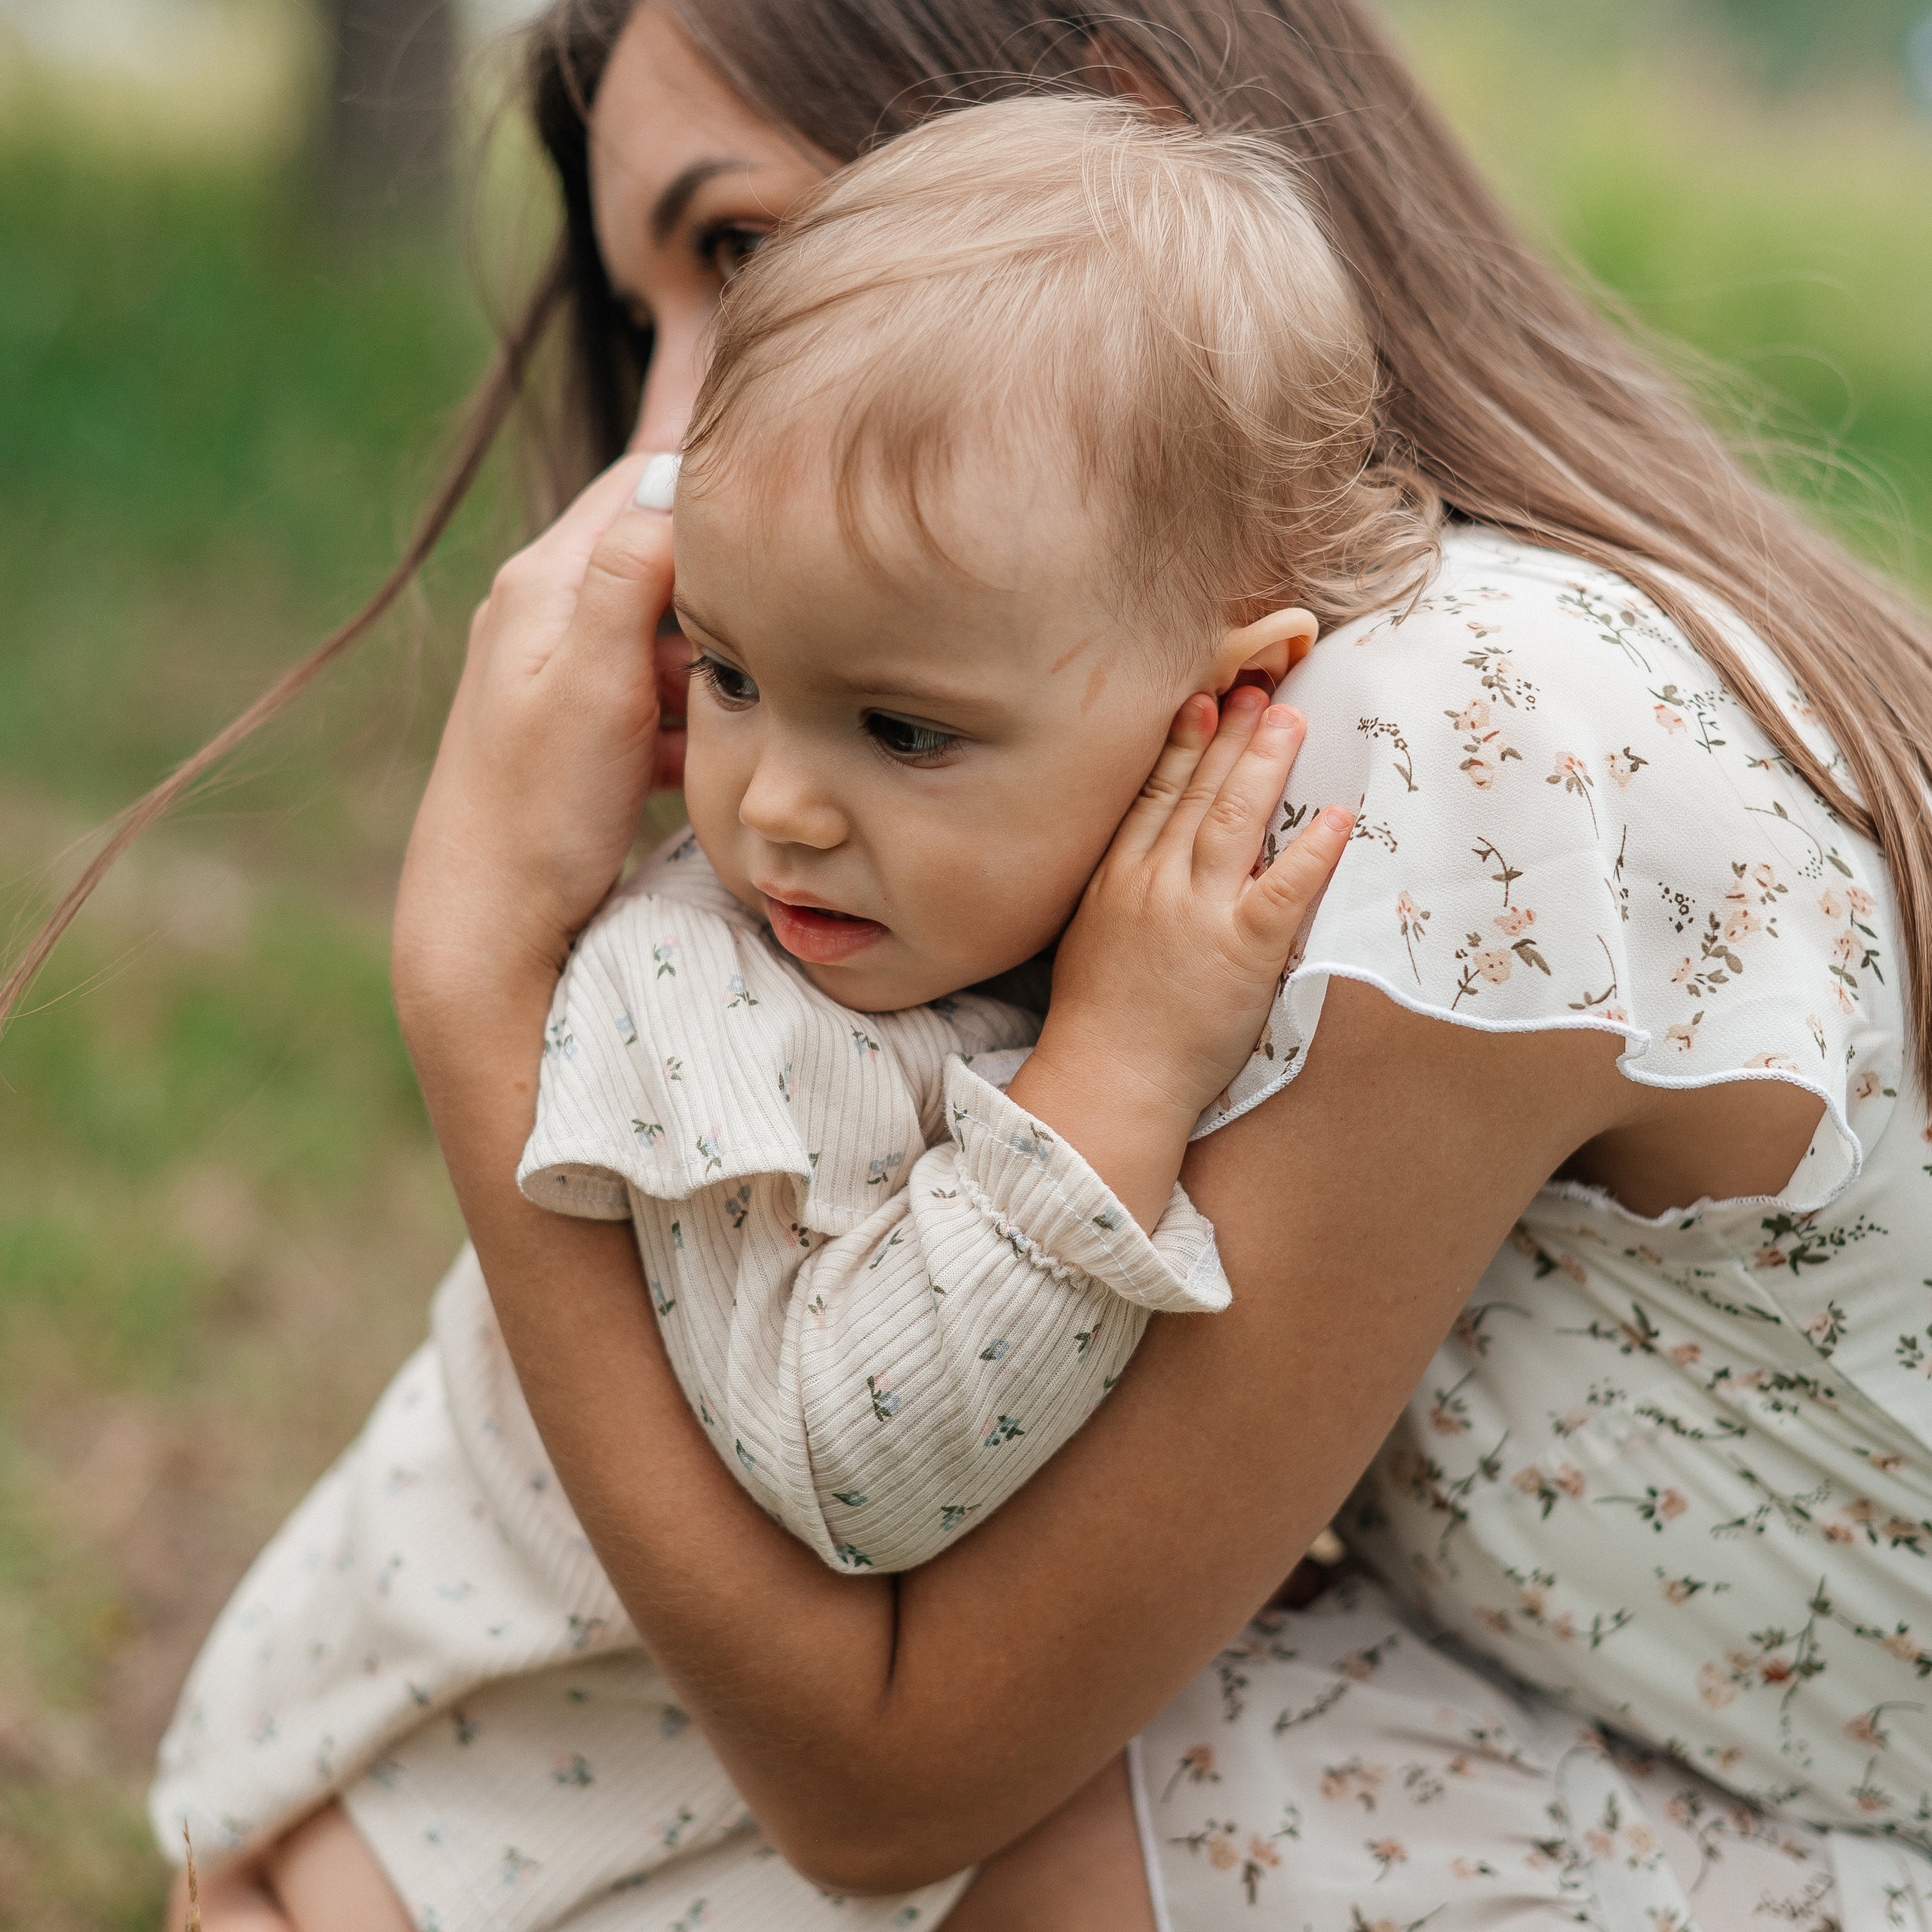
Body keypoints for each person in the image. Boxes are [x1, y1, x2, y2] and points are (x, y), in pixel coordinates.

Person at [9, 1, 1905, 1926]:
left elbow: (884, 1773)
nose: (659, 459)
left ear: (1106, 150)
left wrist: (480, 993)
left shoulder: (1445, 743)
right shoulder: (1138, 728)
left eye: (743, 254)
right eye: (650, 314)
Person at [146, 102, 1381, 1927]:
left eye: (901, 728)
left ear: (1225, 705)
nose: (776, 807)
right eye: (730, 673)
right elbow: (850, 1459)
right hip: (457, 1795)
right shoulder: (691, 988)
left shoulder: (1068, 931)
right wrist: (1116, 1075)